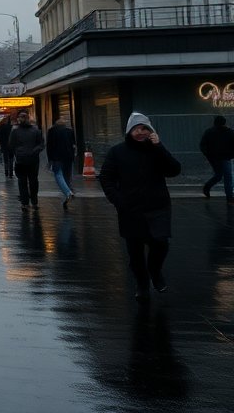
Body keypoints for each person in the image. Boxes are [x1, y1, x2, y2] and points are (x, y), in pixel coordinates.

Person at [99, 112, 181, 300]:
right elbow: (106, 178)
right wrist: (118, 200)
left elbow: (174, 170)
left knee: (160, 244)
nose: (141, 132)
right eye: (137, 129)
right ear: (129, 131)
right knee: (135, 252)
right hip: (130, 209)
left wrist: (159, 147)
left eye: (145, 128)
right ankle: (142, 283)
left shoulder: (155, 150)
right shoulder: (117, 152)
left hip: (158, 206)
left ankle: (155, 271)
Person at [8, 111, 44, 209]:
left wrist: (17, 152)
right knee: (30, 181)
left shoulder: (16, 130)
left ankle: (26, 202)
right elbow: (41, 145)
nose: (22, 119)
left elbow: (11, 145)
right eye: (21, 117)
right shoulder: (34, 130)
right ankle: (32, 201)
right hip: (29, 160)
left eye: (23, 117)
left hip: (24, 160)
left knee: (25, 181)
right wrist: (34, 151)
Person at [199, 115, 234, 203]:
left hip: (214, 158)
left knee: (219, 175)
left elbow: (203, 145)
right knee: (227, 177)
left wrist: (208, 154)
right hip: (225, 157)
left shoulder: (209, 132)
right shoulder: (230, 132)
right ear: (224, 123)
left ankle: (207, 187)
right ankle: (229, 197)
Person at [46, 116, 77, 208]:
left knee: (58, 174)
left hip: (57, 157)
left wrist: (50, 160)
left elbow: (49, 146)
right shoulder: (70, 131)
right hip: (68, 157)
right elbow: (73, 144)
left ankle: (68, 192)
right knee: (67, 176)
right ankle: (67, 194)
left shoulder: (52, 131)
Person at [0, 114, 16, 179]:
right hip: (11, 146)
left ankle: (6, 172)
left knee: (5, 159)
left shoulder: (0, 127)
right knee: (11, 159)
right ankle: (11, 173)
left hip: (4, 146)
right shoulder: (11, 127)